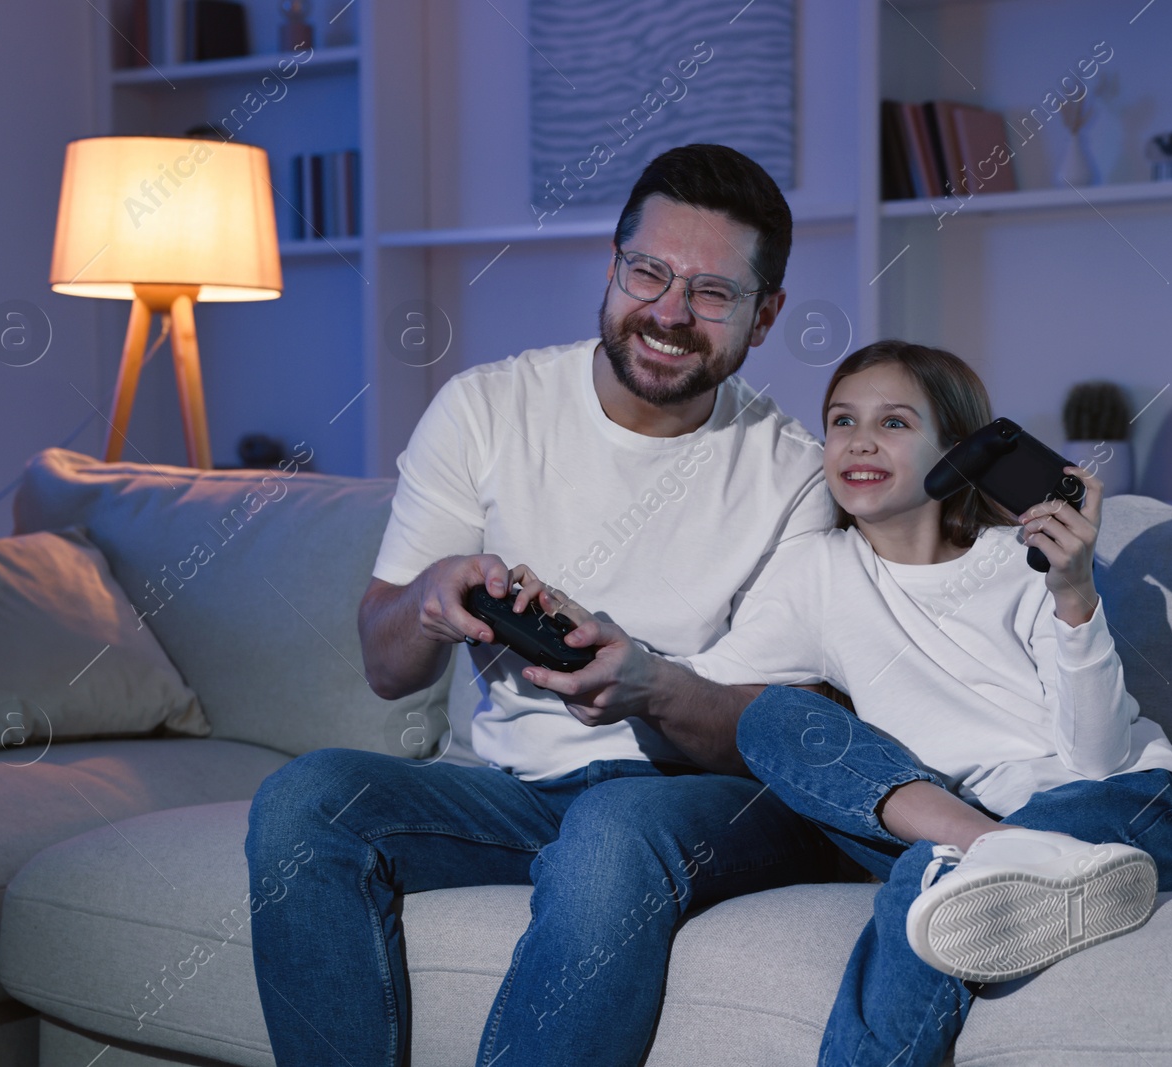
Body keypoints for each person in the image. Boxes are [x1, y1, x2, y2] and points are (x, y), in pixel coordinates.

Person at [244, 143, 846, 1067]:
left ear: (764, 317)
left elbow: (772, 735)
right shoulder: (485, 408)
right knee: (306, 798)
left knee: (614, 826)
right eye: (647, 272)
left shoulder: (796, 475)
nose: (669, 313)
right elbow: (385, 663)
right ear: (612, 268)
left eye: (713, 293)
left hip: (703, 800)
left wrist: (648, 683)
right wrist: (432, 604)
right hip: (514, 793)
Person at [520, 340, 1172, 1067]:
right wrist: (613, 653)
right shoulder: (817, 571)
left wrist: (1072, 591)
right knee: (774, 718)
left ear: (960, 450)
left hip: (1120, 802)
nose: (860, 440)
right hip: (962, 825)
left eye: (895, 423)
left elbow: (1097, 757)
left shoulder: (1027, 559)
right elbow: (705, 683)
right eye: (842, 420)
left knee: (929, 878)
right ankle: (997, 854)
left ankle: (1016, 860)